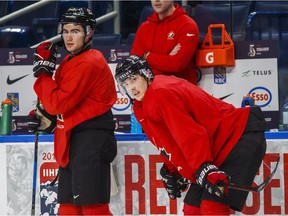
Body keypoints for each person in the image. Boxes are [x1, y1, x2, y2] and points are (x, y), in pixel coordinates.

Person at [114, 55, 267, 215]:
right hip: (218, 145)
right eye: (125, 84)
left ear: (146, 73)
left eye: (133, 79)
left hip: (238, 136)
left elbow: (190, 134)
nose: (131, 87)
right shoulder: (142, 105)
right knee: (192, 209)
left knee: (212, 207)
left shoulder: (159, 93)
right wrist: (173, 169)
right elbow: (166, 140)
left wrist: (203, 167)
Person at [29, 7, 117, 215]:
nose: (68, 37)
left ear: (89, 33)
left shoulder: (89, 61)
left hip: (90, 143)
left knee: (93, 208)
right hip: (74, 141)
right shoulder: (70, 61)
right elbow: (57, 104)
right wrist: (44, 117)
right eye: (65, 31)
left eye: (75, 31)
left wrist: (43, 75)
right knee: (68, 208)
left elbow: (58, 103)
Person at [130, 0, 200, 84]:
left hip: (179, 92)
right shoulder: (144, 28)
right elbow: (134, 66)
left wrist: (147, 57)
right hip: (150, 91)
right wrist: (167, 60)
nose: (156, 0)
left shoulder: (188, 26)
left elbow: (176, 65)